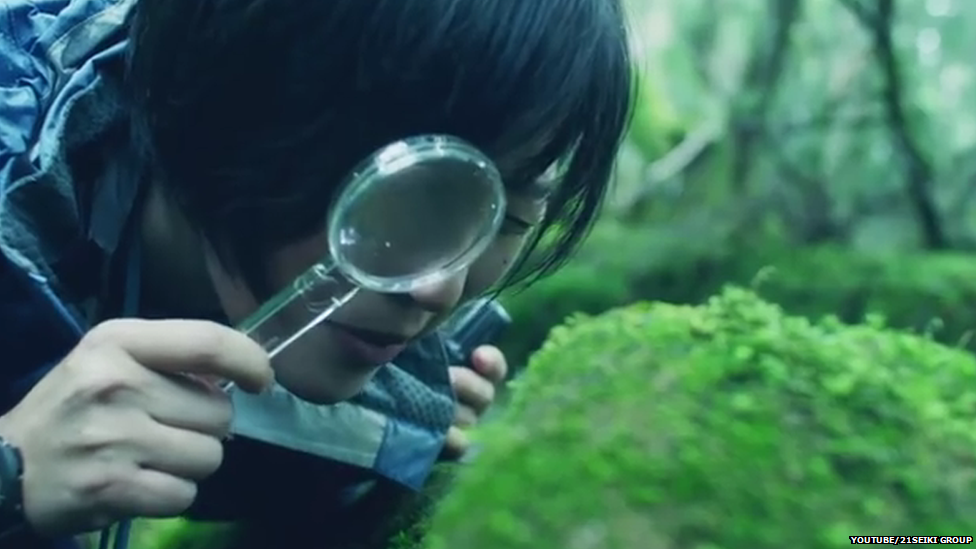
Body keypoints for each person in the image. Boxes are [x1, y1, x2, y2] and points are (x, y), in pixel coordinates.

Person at [0, 0, 633, 547]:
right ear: (218, 95)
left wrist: (392, 431)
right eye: (400, 193)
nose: (439, 289)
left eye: (509, 220)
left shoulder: (381, 375)